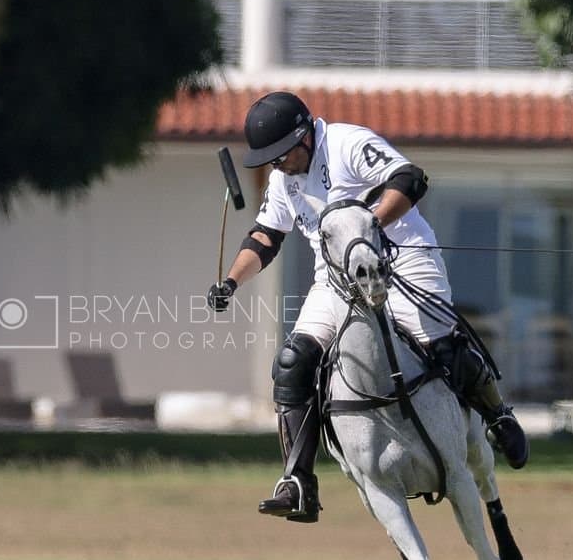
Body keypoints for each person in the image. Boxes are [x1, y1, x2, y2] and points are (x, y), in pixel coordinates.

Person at [206, 91, 528, 523]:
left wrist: (369, 225)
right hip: (336, 278)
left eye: (281, 155)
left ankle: (496, 414)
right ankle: (298, 481)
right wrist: (230, 281)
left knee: (439, 343)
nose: (276, 165)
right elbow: (265, 236)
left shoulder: (346, 144)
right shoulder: (284, 180)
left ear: (304, 138)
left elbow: (411, 178)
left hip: (403, 255)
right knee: (292, 362)